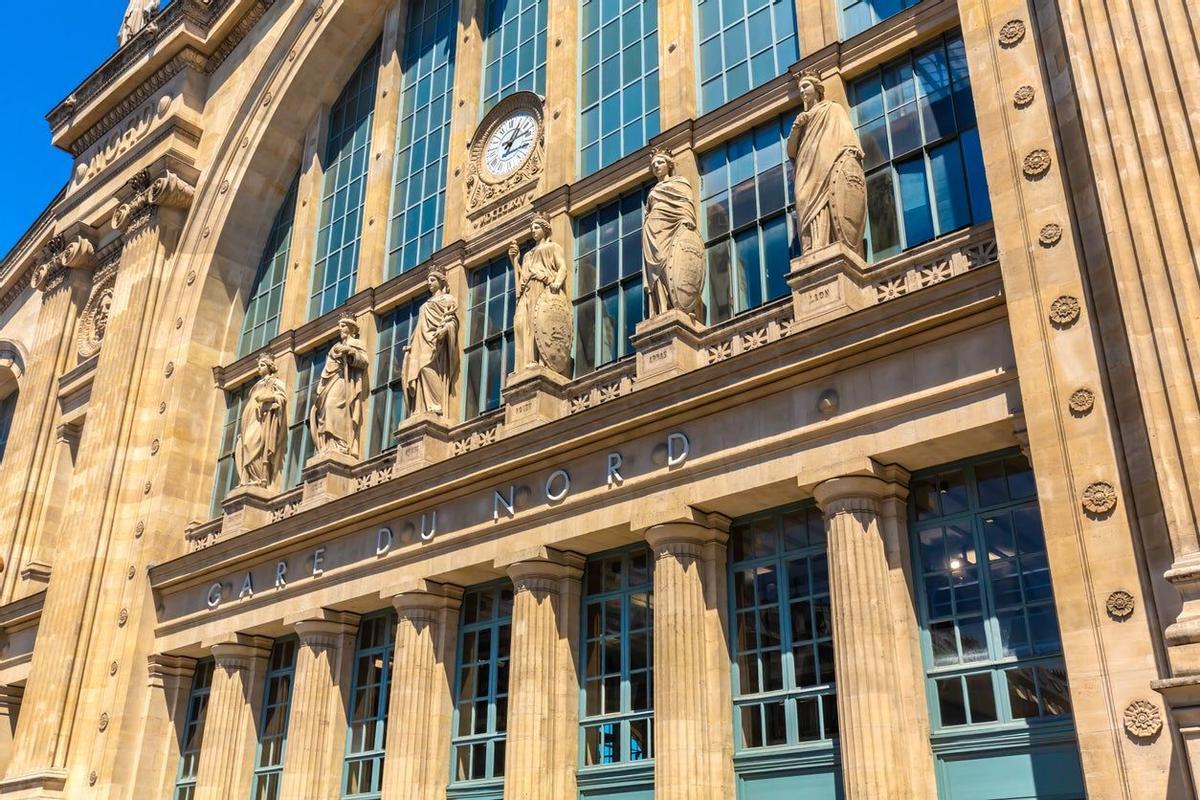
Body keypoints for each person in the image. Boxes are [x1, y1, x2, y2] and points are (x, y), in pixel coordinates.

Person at [786, 71, 867, 256]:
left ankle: (823, 244)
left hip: (826, 164)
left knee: (825, 201)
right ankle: (811, 247)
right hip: (805, 170)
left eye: (805, 86)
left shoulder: (832, 109)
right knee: (803, 200)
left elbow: (846, 134)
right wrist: (797, 128)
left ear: (817, 88)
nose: (802, 91)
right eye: (800, 88)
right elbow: (792, 151)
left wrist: (851, 153)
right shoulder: (802, 119)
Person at [643, 147, 703, 319]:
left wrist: (687, 219)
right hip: (652, 233)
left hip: (673, 227)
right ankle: (662, 308)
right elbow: (648, 211)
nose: (656, 167)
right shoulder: (652, 191)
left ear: (669, 165)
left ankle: (676, 303)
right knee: (657, 271)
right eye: (654, 165)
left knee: (671, 263)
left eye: (660, 162)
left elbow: (686, 203)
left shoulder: (679, 183)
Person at [508, 214, 568, 371]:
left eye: (537, 227)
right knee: (522, 323)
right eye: (532, 228)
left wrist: (557, 282)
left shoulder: (552, 247)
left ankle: (542, 360)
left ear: (545, 229)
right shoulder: (528, 255)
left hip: (542, 288)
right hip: (528, 290)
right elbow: (522, 277)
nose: (533, 231)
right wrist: (514, 260)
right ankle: (528, 360)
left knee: (539, 322)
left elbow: (562, 267)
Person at [402, 268, 459, 416]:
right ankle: (423, 408)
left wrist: (445, 330)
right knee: (420, 370)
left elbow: (452, 320)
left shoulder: (448, 299)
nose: (429, 283)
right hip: (421, 341)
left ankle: (436, 403)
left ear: (441, 281)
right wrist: (411, 344)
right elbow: (419, 326)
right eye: (428, 280)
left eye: (432, 280)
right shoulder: (426, 303)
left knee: (426, 367)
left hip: (435, 340)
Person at [309, 316, 368, 457]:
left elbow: (364, 361)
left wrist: (351, 352)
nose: (340, 329)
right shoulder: (335, 347)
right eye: (339, 326)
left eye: (343, 325)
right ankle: (330, 444)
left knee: (332, 406)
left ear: (351, 328)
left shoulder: (356, 343)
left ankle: (341, 444)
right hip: (333, 379)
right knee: (327, 408)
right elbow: (328, 367)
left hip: (345, 381)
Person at [235, 354, 288, 487]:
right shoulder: (257, 385)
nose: (259, 368)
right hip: (251, 419)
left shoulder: (275, 382)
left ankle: (258, 478)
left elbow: (281, 398)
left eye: (262, 365)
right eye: (259, 365)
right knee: (246, 444)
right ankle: (250, 479)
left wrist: (266, 398)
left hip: (262, 420)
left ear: (270, 367)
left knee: (250, 444)